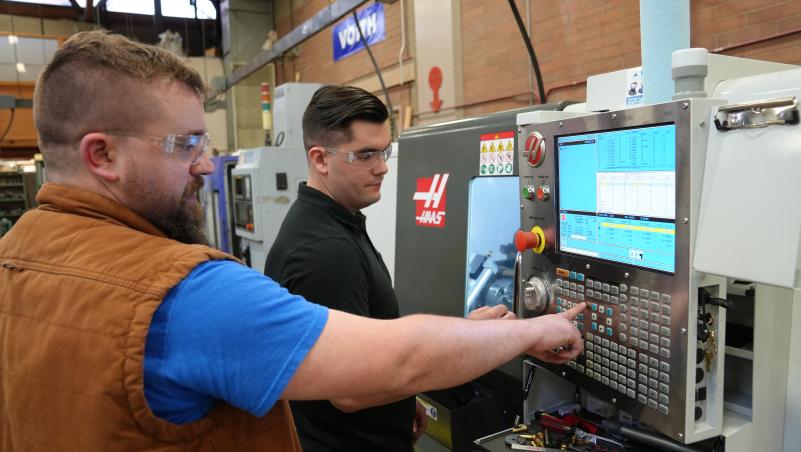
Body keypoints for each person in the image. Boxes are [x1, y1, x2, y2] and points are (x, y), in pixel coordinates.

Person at [0, 30, 585, 451]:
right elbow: (389, 361)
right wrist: (530, 330)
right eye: (186, 145)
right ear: (102, 154)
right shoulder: (180, 292)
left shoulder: (17, 255)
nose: (206, 167)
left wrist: (479, 333)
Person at [264, 85, 510, 451]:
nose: (382, 167)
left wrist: (402, 402)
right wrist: (464, 337)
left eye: (384, 151)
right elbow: (350, 390)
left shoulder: (336, 223)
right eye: (365, 155)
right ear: (320, 159)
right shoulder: (324, 252)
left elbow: (368, 335)